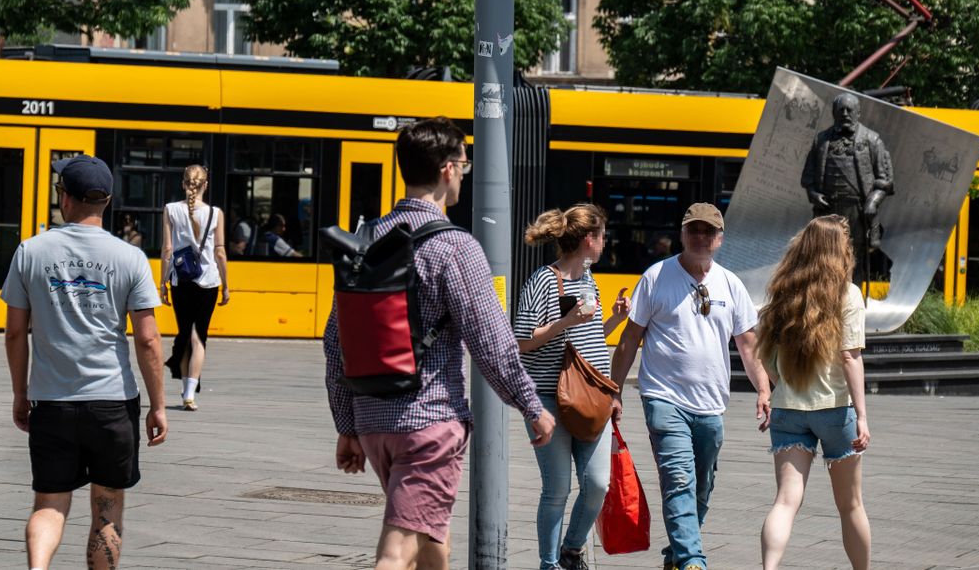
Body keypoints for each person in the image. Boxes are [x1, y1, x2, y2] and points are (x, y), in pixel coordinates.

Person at [323, 117, 556, 570]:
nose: (464, 176)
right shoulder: (455, 247)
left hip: (374, 423)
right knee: (395, 554)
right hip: (428, 426)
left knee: (432, 542)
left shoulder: (365, 240)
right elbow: (492, 342)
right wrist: (532, 406)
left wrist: (348, 425)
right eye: (464, 167)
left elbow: (336, 344)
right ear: (448, 169)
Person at [2, 155, 167, 570]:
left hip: (51, 402)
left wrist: (21, 395)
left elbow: (14, 333)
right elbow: (148, 339)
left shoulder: (30, 251)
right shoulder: (130, 257)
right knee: (107, 509)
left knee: (49, 503)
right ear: (106, 201)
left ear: (65, 198)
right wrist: (159, 405)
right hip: (112, 403)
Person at [610, 202, 772, 570]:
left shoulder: (730, 284)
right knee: (679, 479)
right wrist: (614, 390)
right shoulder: (656, 277)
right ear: (682, 234)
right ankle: (692, 561)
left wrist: (764, 389)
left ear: (720, 239)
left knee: (701, 486)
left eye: (708, 231)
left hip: (711, 405)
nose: (701, 237)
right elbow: (629, 340)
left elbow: (749, 346)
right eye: (694, 230)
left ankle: (675, 555)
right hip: (663, 397)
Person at [515, 204, 631, 570]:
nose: (605, 243)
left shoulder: (589, 279)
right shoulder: (543, 281)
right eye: (603, 236)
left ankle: (571, 550)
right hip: (548, 398)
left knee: (597, 483)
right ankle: (549, 564)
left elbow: (589, 338)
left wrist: (615, 318)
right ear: (588, 240)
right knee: (557, 489)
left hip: (591, 397)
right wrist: (565, 321)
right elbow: (522, 340)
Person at [757, 215, 871, 570]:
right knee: (850, 505)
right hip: (835, 409)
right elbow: (850, 357)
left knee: (785, 501)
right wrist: (862, 416)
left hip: (788, 410)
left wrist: (780, 387)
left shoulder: (784, 290)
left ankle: (769, 568)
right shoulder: (848, 294)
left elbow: (766, 354)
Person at [800, 93, 894, 283]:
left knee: (854, 259)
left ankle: (852, 296)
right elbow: (808, 177)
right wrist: (813, 194)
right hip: (827, 211)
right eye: (840, 110)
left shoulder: (872, 140)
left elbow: (886, 181)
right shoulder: (821, 141)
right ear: (834, 113)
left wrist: (873, 202)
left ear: (858, 113)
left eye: (849, 110)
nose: (844, 113)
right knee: (825, 258)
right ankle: (827, 297)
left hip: (857, 213)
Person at [160, 164, 230, 411]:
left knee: (184, 333)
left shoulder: (170, 210)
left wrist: (162, 283)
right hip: (208, 281)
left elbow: (167, 250)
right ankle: (189, 393)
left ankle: (184, 387)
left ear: (183, 184)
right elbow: (220, 252)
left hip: (180, 280)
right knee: (199, 336)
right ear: (205, 185)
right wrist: (226, 286)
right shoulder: (216, 213)